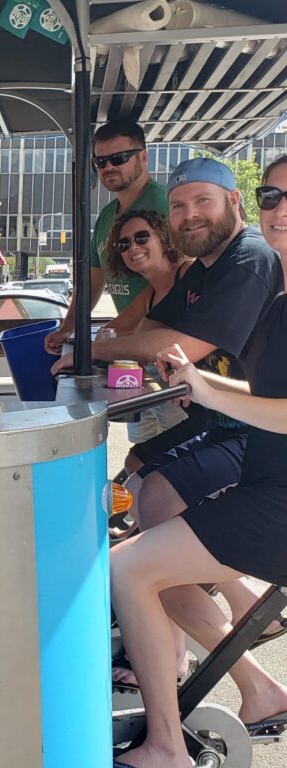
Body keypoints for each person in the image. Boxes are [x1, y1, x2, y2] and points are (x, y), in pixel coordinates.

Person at [110, 157, 287, 689]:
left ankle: (186, 660)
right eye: (273, 197)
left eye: (202, 201)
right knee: (141, 495)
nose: (189, 214)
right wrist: (200, 383)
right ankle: (220, 648)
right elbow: (149, 338)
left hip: (256, 458)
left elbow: (181, 346)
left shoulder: (251, 260)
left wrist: (201, 385)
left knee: (143, 530)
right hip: (250, 450)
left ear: (233, 202)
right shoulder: (220, 274)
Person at [111, 334, 287, 768]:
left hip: (277, 502)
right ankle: (261, 690)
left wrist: (211, 395)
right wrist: (200, 382)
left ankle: (166, 750)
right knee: (153, 571)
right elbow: (266, 393)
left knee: (126, 568)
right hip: (265, 488)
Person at [44, 118, 167, 355]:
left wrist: (112, 332)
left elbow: (171, 282)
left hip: (165, 346)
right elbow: (92, 281)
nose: (108, 166)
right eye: (100, 161)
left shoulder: (165, 206)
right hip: (130, 350)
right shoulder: (106, 216)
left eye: (119, 158)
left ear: (143, 157)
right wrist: (67, 329)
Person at [102, 210, 193, 452]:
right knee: (138, 455)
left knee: (166, 459)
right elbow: (112, 331)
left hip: (187, 396)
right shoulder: (150, 293)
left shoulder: (189, 274)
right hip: (154, 392)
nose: (133, 247)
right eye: (124, 244)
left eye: (141, 237)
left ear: (163, 237)